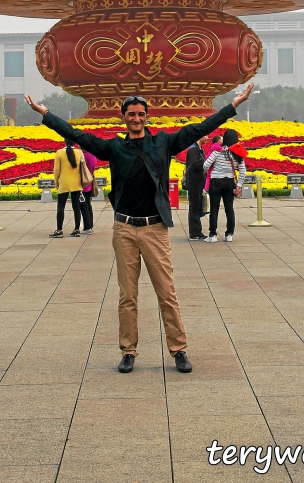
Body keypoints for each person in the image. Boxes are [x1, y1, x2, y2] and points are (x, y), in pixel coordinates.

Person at [25, 84, 254, 374]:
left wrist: (232, 106)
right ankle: (128, 350)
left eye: (141, 114)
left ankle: (179, 349)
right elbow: (76, 134)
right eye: (131, 114)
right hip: (124, 229)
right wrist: (46, 114)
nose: (136, 118)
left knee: (166, 292)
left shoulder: (163, 143)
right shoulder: (113, 147)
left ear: (147, 117)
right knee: (127, 295)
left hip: (154, 228)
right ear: (124, 118)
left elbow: (199, 128)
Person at [203, 129, 246, 243]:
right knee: (229, 209)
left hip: (216, 182)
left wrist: (212, 171)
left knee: (214, 209)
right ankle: (229, 234)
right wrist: (239, 184)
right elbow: (243, 171)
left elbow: (206, 165)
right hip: (230, 182)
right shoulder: (238, 153)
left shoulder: (218, 151)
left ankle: (212, 235)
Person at [53, 140, 83, 237]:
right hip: (76, 183)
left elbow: (57, 169)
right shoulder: (79, 152)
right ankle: (77, 229)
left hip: (64, 183)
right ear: (75, 142)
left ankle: (59, 230)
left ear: (64, 142)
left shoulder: (59, 152)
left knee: (61, 207)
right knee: (76, 207)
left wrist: (56, 180)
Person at [185, 136, 208, 240]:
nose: (207, 138)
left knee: (197, 206)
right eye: (206, 135)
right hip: (194, 182)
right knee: (194, 207)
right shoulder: (193, 149)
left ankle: (197, 231)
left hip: (199, 182)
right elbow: (194, 165)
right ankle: (194, 233)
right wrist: (206, 162)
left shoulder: (199, 149)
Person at [80, 149, 98, 234]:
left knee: (84, 206)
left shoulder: (83, 155)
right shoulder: (92, 155)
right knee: (88, 205)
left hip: (83, 183)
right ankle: (90, 225)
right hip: (90, 182)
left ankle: (87, 227)